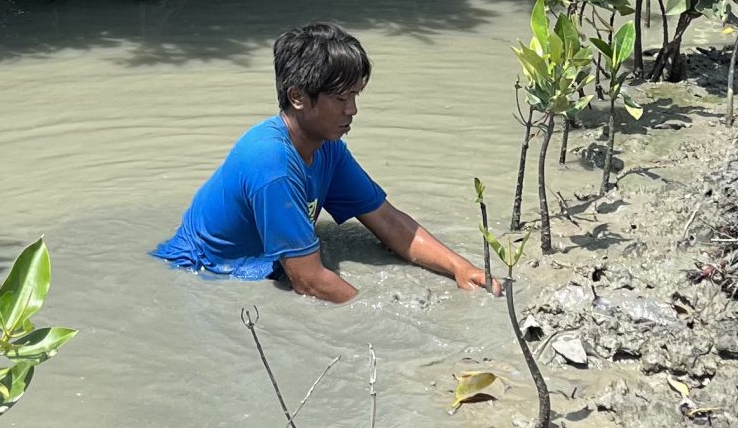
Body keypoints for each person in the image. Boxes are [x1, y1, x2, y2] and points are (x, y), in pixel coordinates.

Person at [153, 21, 495, 302]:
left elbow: (387, 221)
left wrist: (460, 268)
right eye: (340, 98)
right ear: (298, 97)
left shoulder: (326, 146)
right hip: (206, 275)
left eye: (355, 96)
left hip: (262, 264)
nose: (353, 110)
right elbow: (309, 281)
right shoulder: (271, 162)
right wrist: (382, 320)